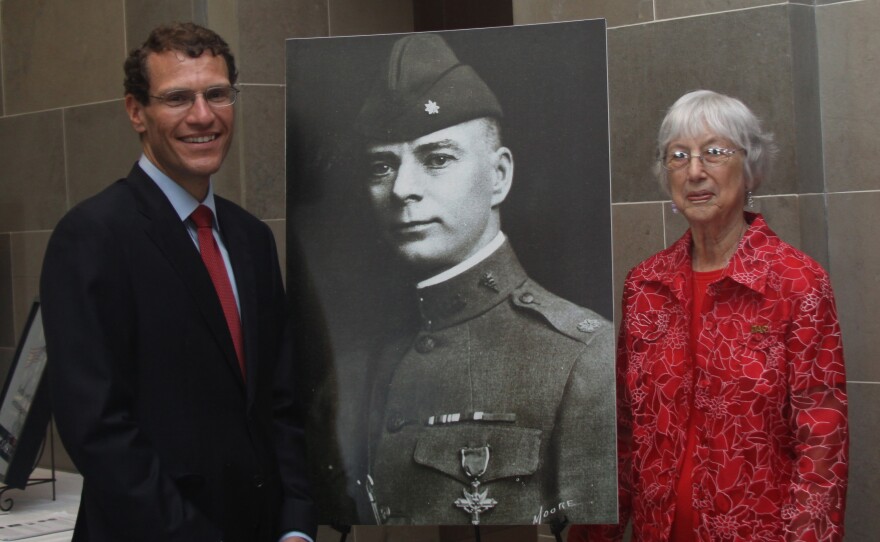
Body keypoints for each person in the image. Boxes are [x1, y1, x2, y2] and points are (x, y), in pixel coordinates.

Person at [40, 22, 315, 542]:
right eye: (177, 98)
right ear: (136, 112)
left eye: (217, 94)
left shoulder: (253, 239)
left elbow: (281, 403)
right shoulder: (92, 238)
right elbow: (98, 429)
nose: (203, 116)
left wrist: (297, 525)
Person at [349, 33, 617, 526]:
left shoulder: (581, 355)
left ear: (499, 177)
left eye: (438, 158)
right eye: (382, 166)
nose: (403, 189)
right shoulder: (353, 361)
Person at [569, 90, 848, 541]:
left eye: (714, 152)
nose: (695, 171)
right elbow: (623, 428)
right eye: (678, 156)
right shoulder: (646, 286)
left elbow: (821, 442)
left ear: (750, 166)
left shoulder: (796, 282)